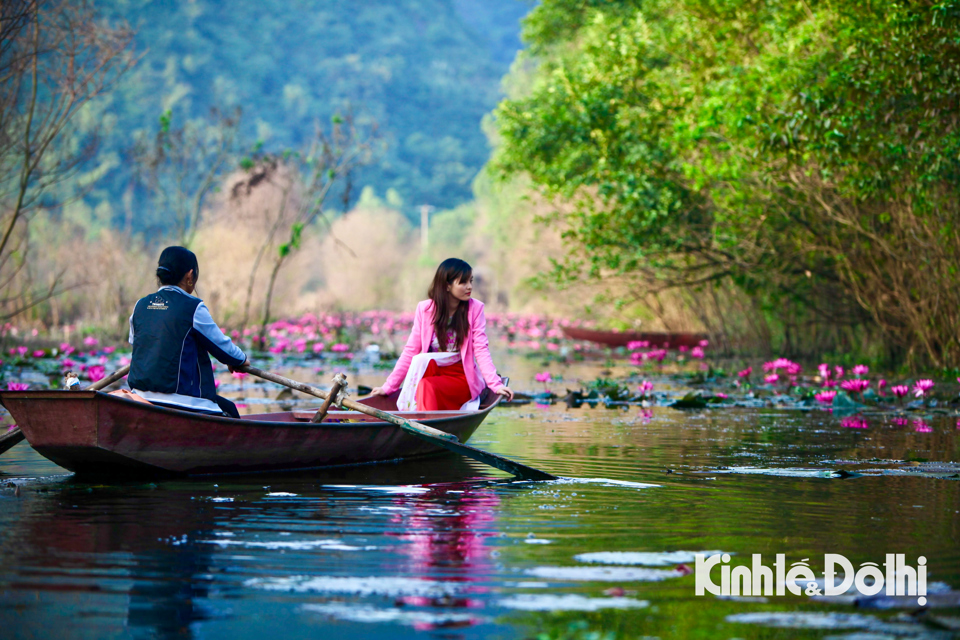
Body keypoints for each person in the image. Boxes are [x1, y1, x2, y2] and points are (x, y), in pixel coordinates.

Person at [372, 258, 514, 410]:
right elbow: (410, 351)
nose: (470, 287)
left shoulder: (475, 309)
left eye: (470, 281)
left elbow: (481, 349)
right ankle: (425, 424)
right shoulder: (425, 309)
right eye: (463, 282)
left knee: (427, 386)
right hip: (432, 372)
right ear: (447, 285)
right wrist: (388, 387)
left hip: (462, 376)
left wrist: (495, 384)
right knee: (424, 379)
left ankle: (425, 424)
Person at [127, 246, 249, 418]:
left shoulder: (140, 305)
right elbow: (223, 347)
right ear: (190, 275)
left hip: (139, 399)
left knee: (226, 406)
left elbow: (138, 343)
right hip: (183, 402)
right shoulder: (193, 307)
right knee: (231, 410)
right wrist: (240, 359)